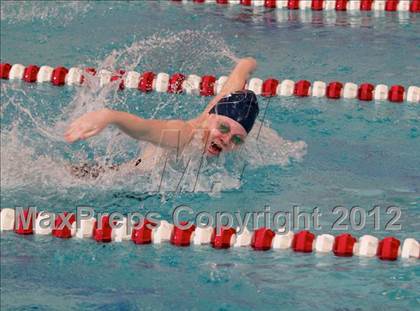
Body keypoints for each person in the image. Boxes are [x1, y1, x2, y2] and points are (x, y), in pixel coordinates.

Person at [65, 57, 259, 178]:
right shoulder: (184, 135)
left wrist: (247, 63)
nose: (226, 140)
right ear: (211, 117)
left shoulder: (218, 112)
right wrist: (109, 116)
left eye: (236, 138)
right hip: (128, 178)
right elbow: (144, 129)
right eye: (224, 128)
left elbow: (239, 74)